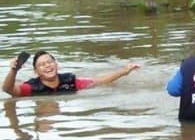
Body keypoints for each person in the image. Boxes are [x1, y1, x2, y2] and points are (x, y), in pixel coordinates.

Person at [2, 51, 139, 97]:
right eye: (42, 65)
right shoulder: (32, 87)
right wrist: (14, 71)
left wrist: (124, 71)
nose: (47, 66)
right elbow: (8, 89)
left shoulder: (70, 81)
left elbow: (100, 81)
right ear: (36, 72)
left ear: (57, 65)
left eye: (50, 62)